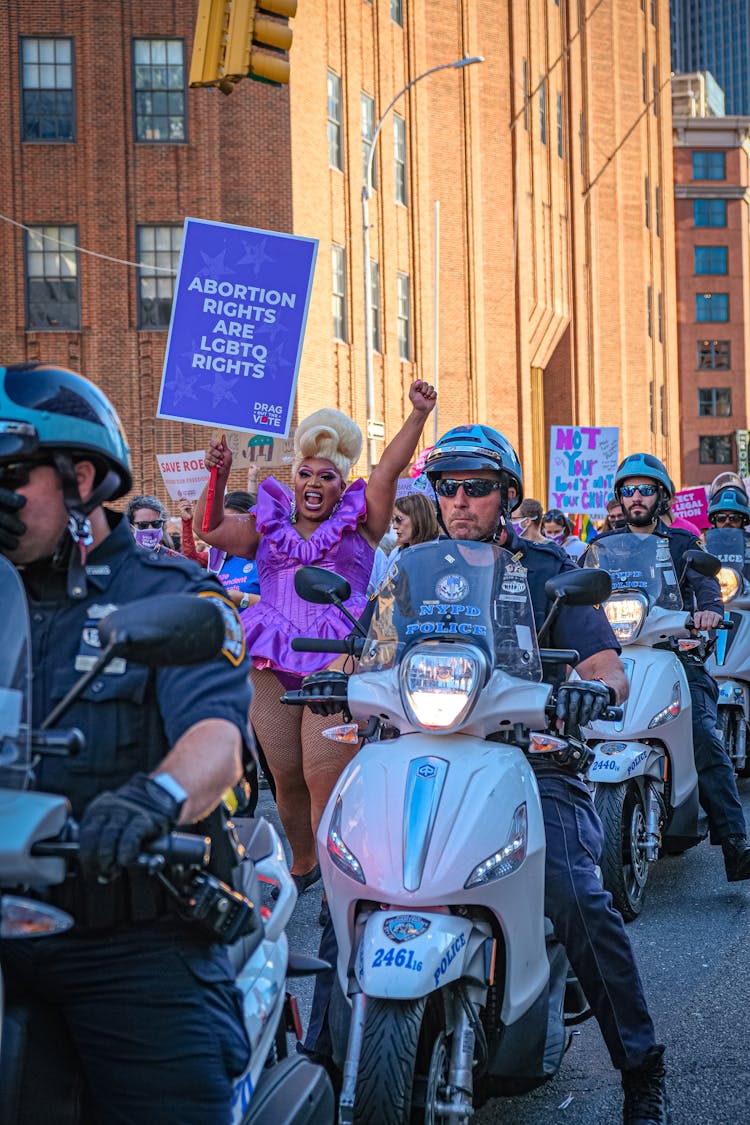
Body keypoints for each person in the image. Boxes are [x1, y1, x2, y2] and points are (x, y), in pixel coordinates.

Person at [303, 424, 669, 1125]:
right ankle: (325, 1064)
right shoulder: (408, 573)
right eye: (449, 487)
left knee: (576, 892)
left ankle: (641, 1067)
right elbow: (367, 656)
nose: (462, 500)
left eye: (478, 487)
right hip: (416, 749)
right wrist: (336, 676)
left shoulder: (547, 571)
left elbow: (607, 669)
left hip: (531, 759)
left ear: (508, 494)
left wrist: (592, 692)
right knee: (347, 877)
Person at [0, 363, 253, 1124]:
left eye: (9, 475)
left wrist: (156, 796)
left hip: (134, 943)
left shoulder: (166, 592)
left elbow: (217, 740)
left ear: (80, 479)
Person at [195, 381, 437, 895]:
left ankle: (340, 877)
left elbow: (387, 471)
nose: (313, 482)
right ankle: (304, 866)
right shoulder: (267, 526)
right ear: (293, 477)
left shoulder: (362, 525)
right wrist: (218, 471)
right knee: (285, 777)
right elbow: (209, 528)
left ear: (339, 484)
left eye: (326, 476)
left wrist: (417, 415)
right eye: (304, 472)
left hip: (336, 654)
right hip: (270, 654)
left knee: (322, 776)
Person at [599, 452, 750, 883]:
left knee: (703, 730)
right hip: (611, 658)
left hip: (677, 654)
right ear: (619, 498)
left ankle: (735, 841)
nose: (636, 498)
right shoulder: (599, 550)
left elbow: (708, 586)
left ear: (661, 496)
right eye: (628, 490)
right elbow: (578, 593)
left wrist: (706, 611)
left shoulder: (683, 545)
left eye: (645, 489)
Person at [178, 493, 260, 610]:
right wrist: (187, 522)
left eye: (235, 521)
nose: (227, 529)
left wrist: (244, 599)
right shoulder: (218, 555)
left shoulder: (269, 556)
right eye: (222, 523)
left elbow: (285, 606)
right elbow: (191, 557)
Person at [368, 490, 439, 592]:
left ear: (418, 518)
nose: (394, 526)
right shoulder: (396, 552)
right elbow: (383, 589)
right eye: (393, 520)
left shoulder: (441, 553)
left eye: (399, 519)